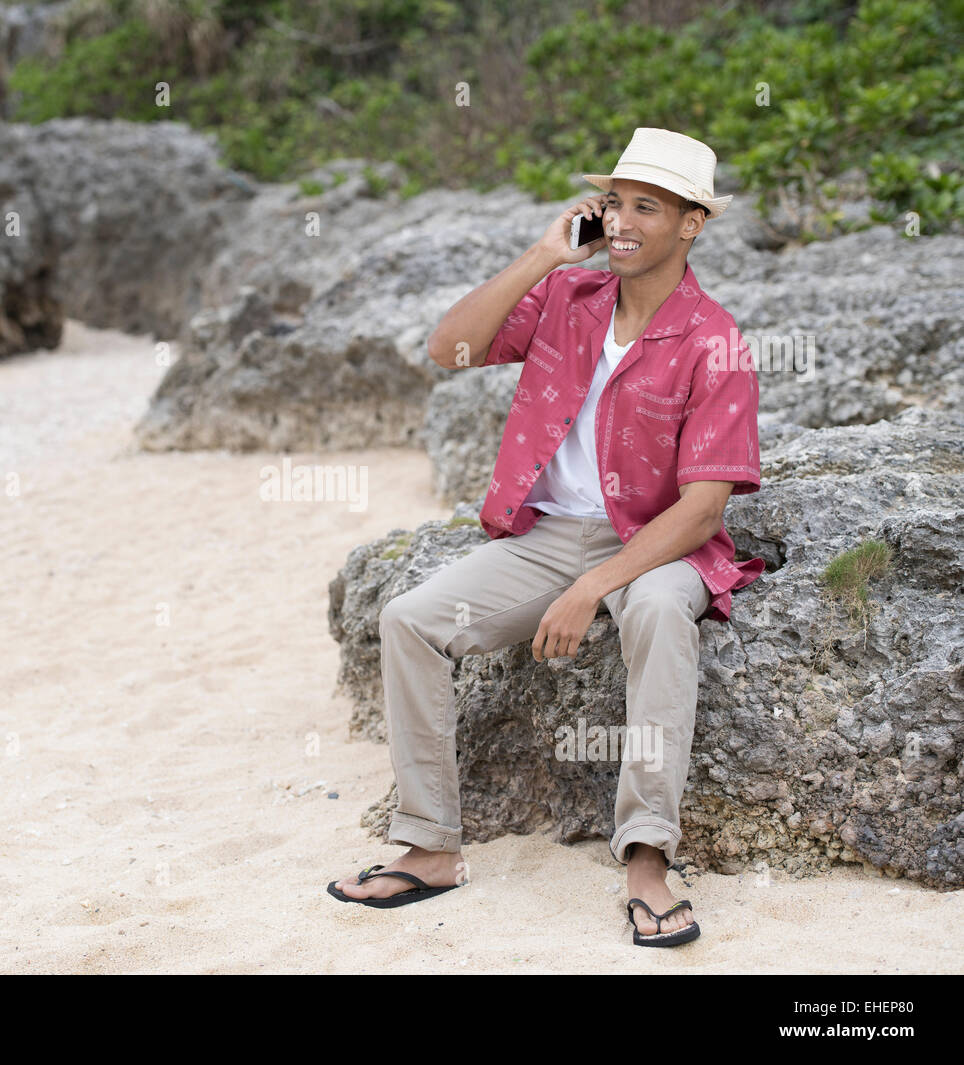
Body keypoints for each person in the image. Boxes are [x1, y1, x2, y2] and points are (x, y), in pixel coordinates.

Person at [327, 128, 765, 947]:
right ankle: (429, 848)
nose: (625, 222)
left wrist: (593, 587)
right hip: (545, 535)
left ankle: (646, 860)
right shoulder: (567, 302)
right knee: (410, 620)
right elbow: (448, 346)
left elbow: (704, 508)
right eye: (618, 203)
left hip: (656, 542)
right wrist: (542, 257)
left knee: (658, 614)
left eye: (650, 207)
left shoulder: (717, 339)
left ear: (692, 223)